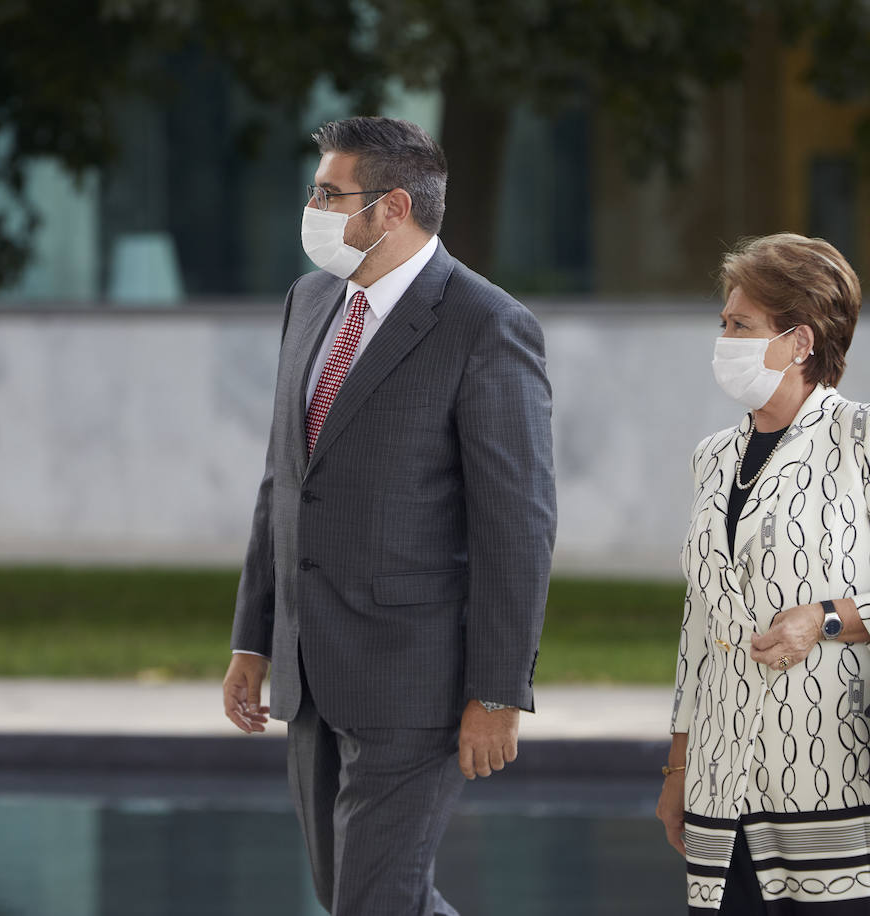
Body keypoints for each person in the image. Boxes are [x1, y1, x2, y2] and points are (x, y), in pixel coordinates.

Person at [221, 116, 556, 916]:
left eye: (329, 193)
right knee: (361, 900)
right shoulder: (309, 302)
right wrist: (253, 638)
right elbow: (285, 482)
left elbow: (518, 524)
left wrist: (499, 690)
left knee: (375, 903)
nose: (313, 207)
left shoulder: (487, 325)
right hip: (309, 672)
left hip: (416, 682)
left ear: (393, 207)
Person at [655, 233, 870, 913]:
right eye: (724, 323)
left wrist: (822, 619)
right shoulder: (713, 456)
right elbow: (699, 624)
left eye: (741, 325)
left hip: (837, 783)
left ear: (799, 342)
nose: (724, 340)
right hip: (722, 788)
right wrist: (678, 768)